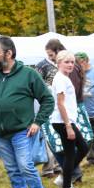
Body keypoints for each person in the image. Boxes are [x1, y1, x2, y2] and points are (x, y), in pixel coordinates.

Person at [0, 36, 54, 188]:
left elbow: (47, 99)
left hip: (22, 130)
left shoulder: (29, 74)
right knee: (12, 169)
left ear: (9, 53)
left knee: (25, 166)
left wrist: (38, 122)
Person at [50, 51, 88, 188]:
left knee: (79, 149)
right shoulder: (60, 79)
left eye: (72, 62)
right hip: (62, 121)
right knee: (75, 151)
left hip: (65, 120)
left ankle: (64, 178)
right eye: (67, 62)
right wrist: (68, 125)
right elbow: (60, 104)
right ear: (59, 63)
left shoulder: (64, 78)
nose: (70, 65)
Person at [35, 39, 64, 178]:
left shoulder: (65, 62)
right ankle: (48, 168)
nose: (50, 57)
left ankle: (59, 165)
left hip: (62, 104)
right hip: (47, 105)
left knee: (61, 134)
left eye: (52, 54)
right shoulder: (42, 65)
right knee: (49, 135)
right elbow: (35, 84)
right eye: (49, 54)